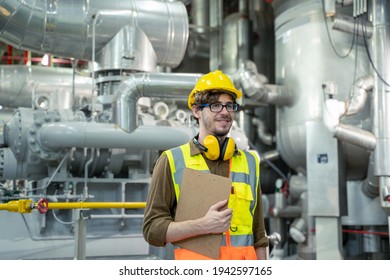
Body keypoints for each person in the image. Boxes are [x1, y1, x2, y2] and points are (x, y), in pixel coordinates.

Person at [142, 70, 269, 260]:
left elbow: (259, 235)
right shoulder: (171, 161)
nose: (225, 112)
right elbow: (152, 230)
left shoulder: (249, 162)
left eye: (229, 105)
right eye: (216, 105)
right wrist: (203, 225)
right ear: (196, 111)